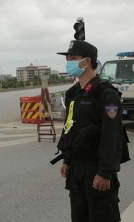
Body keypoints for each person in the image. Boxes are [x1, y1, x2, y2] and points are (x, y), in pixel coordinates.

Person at [56, 40, 122, 222]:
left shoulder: (105, 93)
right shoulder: (74, 93)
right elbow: (71, 127)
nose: (68, 62)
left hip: (96, 168)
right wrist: (67, 159)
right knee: (79, 216)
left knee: (102, 216)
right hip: (77, 168)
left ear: (86, 62)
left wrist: (105, 172)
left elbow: (112, 135)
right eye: (68, 58)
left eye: (73, 58)